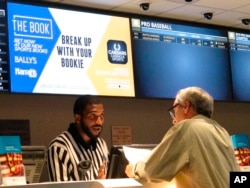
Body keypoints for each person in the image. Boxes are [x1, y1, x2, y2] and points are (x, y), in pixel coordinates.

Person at [125, 86, 240, 188]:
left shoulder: (187, 128)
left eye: (174, 111)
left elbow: (152, 171)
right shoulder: (222, 131)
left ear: (186, 106)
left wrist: (133, 169)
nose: (174, 120)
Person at [47, 95, 109, 181]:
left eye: (101, 116)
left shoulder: (101, 144)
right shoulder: (59, 147)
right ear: (78, 118)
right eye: (92, 116)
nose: (98, 121)